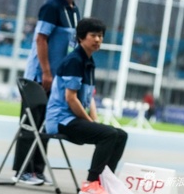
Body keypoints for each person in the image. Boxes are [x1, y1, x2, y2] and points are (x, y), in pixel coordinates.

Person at [12, 0, 83, 186]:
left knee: (47, 123)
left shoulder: (73, 10)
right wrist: (46, 72)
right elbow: (41, 39)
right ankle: (22, 170)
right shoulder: (51, 7)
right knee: (31, 123)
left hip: (58, 78)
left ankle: (37, 171)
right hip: (41, 75)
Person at [46, 18, 128, 194]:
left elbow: (88, 97)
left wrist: (95, 120)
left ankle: (103, 181)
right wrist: (90, 122)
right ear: (82, 37)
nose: (98, 40)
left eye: (101, 36)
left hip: (75, 119)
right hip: (61, 120)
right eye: (94, 35)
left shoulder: (89, 62)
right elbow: (71, 98)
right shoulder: (75, 61)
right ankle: (90, 184)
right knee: (108, 134)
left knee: (120, 135)